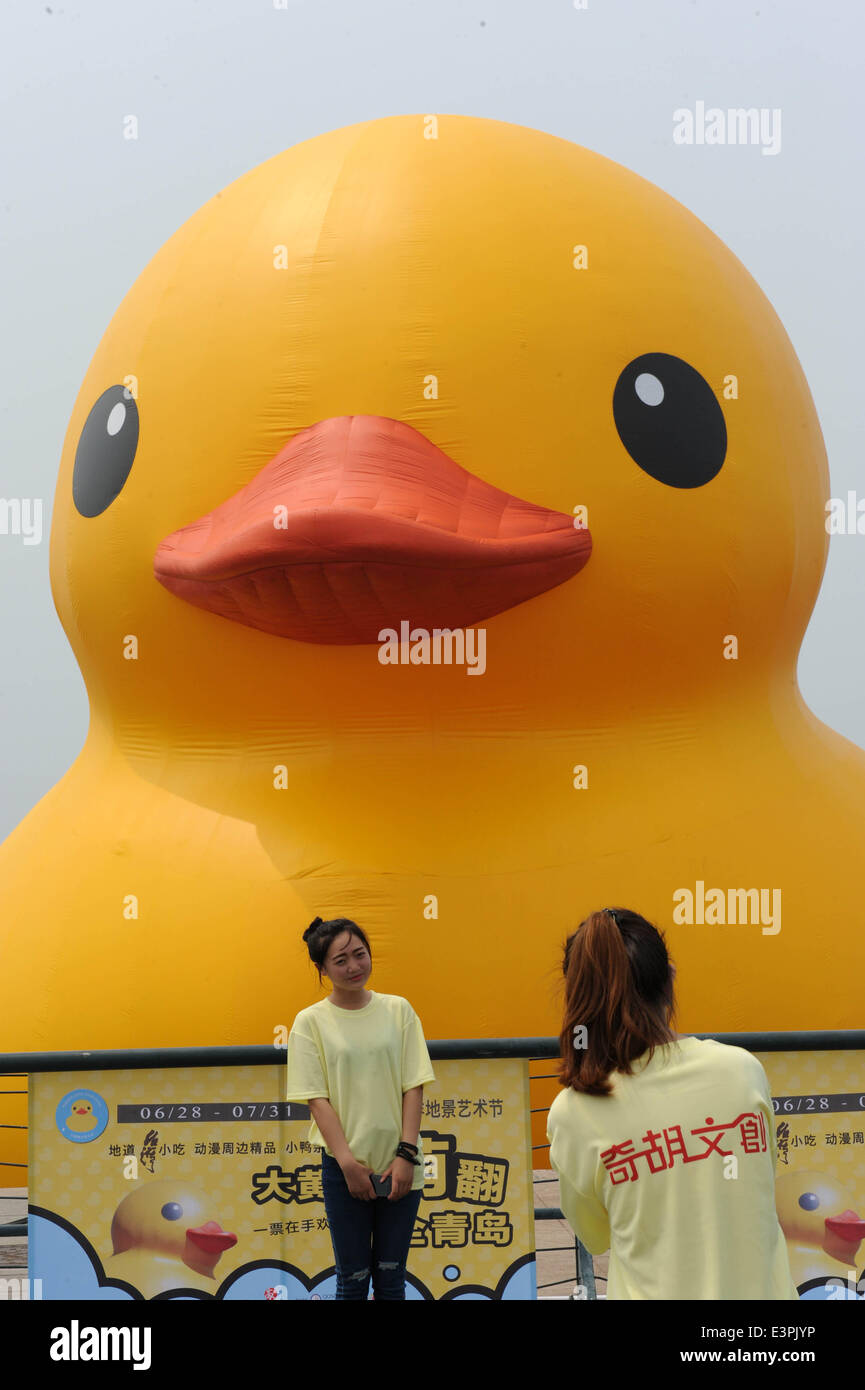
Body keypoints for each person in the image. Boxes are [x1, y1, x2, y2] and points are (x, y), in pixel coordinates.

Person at [546, 907, 798, 1300]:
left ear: (576, 998)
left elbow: (595, 1236)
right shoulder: (742, 1070)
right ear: (670, 979)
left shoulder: (572, 1111)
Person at [284, 915, 435, 1300]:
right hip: (344, 1170)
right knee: (351, 1282)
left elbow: (413, 1085)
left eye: (359, 954)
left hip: (400, 1166)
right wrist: (348, 1163)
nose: (354, 967)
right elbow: (316, 1099)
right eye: (341, 960)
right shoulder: (309, 1022)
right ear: (322, 968)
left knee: (391, 1280)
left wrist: (406, 1154)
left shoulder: (399, 1010)